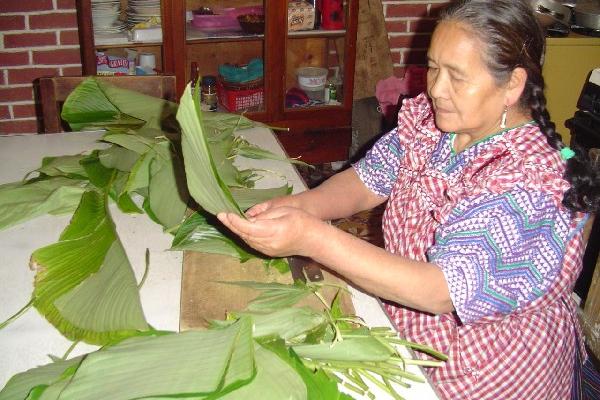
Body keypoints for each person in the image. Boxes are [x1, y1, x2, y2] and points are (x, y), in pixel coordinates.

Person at [218, 0, 600, 398]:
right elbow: (367, 180)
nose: (435, 88)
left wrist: (311, 238)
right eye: (433, 67)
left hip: (488, 371)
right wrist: (303, 206)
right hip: (413, 331)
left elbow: (440, 291)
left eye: (456, 76)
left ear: (512, 85)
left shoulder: (529, 183)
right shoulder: (438, 126)